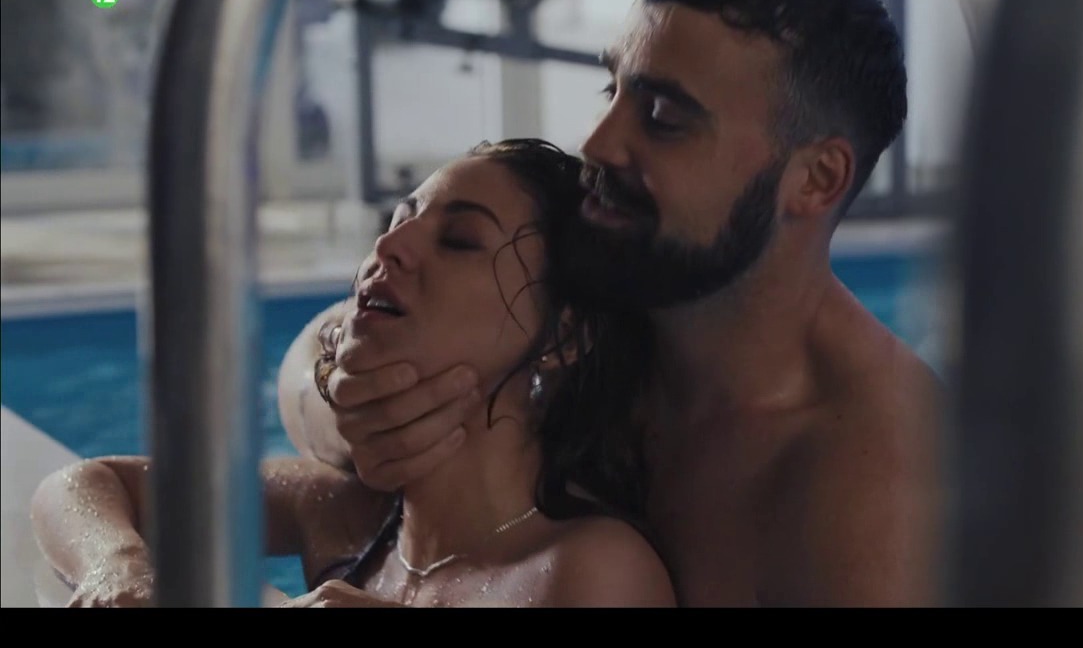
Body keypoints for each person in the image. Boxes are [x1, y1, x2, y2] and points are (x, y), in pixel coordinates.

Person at [285, 0, 945, 607]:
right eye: (612, 90)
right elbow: (316, 347)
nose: (597, 143)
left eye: (662, 116)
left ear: (816, 179)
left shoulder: (884, 498)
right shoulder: (626, 284)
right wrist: (353, 409)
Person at [30, 139, 676, 608]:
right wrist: (120, 567)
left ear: (563, 336)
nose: (390, 247)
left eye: (458, 241)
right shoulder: (351, 515)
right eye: (399, 219)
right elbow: (83, 485)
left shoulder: (591, 569)